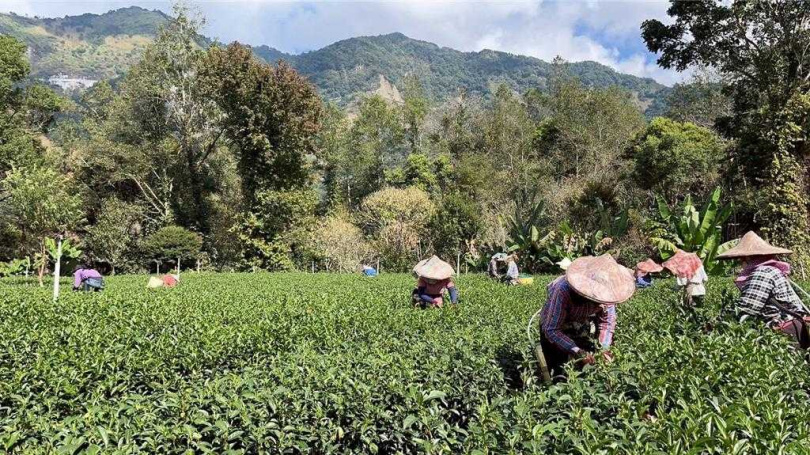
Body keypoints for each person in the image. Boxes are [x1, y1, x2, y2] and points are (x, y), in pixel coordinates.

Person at [538, 254, 635, 377]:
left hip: (580, 322)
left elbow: (607, 324)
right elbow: (551, 329)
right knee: (558, 369)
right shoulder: (562, 290)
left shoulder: (609, 294)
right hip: (554, 325)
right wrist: (576, 351)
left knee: (587, 366)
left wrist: (603, 349)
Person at [717, 231, 810, 348]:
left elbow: (747, 309)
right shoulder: (771, 269)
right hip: (793, 327)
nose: (741, 264)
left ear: (747, 258)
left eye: (741, 260)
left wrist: (721, 323)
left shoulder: (762, 273)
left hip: (783, 333)